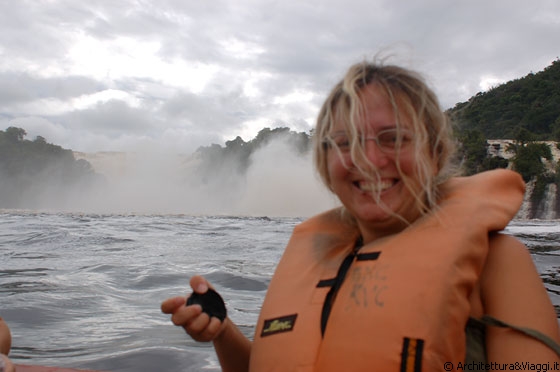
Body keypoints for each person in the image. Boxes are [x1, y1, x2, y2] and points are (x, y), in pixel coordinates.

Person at [162, 60, 560, 371]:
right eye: (344, 143)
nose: (368, 161)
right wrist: (222, 331)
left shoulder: (499, 264)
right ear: (324, 161)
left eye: (393, 139)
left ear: (434, 152)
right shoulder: (312, 257)